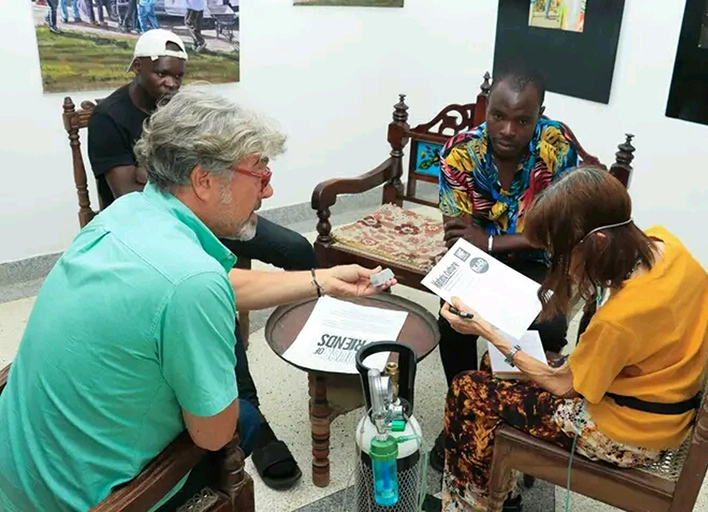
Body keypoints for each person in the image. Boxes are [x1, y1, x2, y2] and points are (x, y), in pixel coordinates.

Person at [0, 88, 397, 512]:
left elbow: (214, 283)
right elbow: (211, 433)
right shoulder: (192, 282)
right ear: (204, 180)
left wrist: (323, 280)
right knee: (241, 419)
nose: (269, 191)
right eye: (260, 174)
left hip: (21, 471)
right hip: (89, 500)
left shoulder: (127, 213)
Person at [87, 29, 317, 488]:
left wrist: (324, 281)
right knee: (213, 323)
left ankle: (313, 340)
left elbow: (155, 182)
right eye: (162, 74)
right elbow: (129, 188)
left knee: (297, 249)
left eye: (178, 76)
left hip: (203, 210)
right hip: (104, 488)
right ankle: (253, 425)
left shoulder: (183, 117)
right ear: (137, 68)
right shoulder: (110, 118)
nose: (171, 84)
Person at [437, 166, 708, 511]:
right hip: (657, 395)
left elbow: (563, 384)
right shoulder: (666, 245)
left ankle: (469, 505)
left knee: (469, 390)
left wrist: (484, 328)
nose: (560, 263)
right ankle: (501, 494)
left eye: (561, 252)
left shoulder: (622, 318)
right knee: (492, 363)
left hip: (628, 431)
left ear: (597, 242)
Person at [431, 64, 589, 469]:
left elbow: (564, 230)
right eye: (498, 116)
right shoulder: (460, 152)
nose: (507, 130)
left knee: (546, 324)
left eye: (523, 120)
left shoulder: (556, 145)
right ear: (485, 108)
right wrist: (488, 245)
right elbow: (456, 235)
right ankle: (463, 411)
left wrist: (488, 238)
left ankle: (518, 418)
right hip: (478, 264)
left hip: (543, 263)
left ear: (540, 114)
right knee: (451, 319)